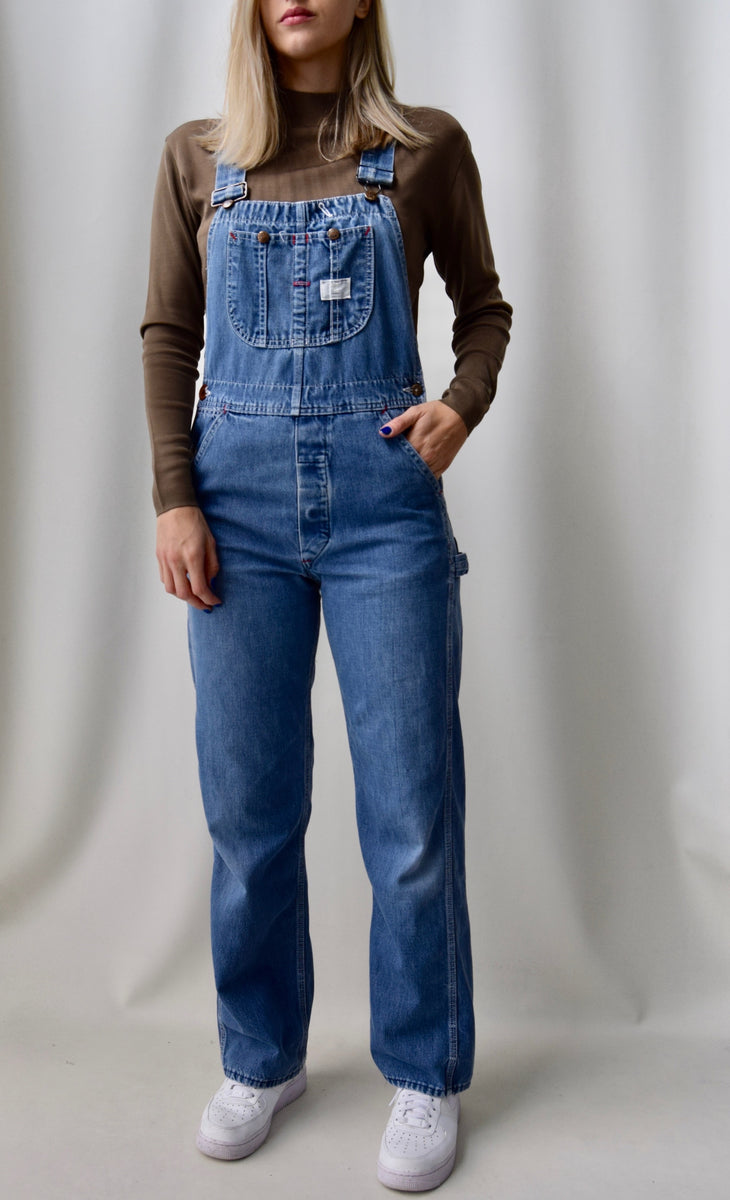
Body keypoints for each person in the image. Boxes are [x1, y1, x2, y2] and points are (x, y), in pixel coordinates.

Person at [141, 0, 511, 1190]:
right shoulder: (198, 156)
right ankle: (261, 1058)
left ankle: (423, 1072)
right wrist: (175, 497)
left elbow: (485, 308)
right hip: (232, 513)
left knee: (411, 814)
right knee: (247, 814)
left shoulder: (426, 147)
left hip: (384, 510)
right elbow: (168, 335)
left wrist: (461, 404)